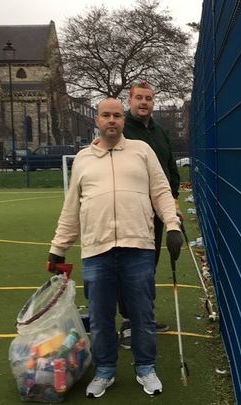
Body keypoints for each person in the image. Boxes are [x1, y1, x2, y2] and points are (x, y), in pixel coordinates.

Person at [46, 97, 183, 398]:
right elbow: (71, 209)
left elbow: (161, 191)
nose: (112, 120)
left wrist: (172, 226)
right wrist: (58, 247)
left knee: (142, 314)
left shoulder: (142, 151)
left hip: (138, 246)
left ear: (123, 120)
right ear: (96, 120)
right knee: (100, 316)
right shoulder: (83, 159)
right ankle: (105, 370)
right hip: (97, 249)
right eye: (106, 115)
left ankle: (146, 367)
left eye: (117, 116)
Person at [117, 81, 181, 349]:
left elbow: (169, 168)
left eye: (149, 99)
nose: (144, 103)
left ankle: (143, 316)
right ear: (130, 101)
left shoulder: (159, 133)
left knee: (148, 266)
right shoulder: (122, 131)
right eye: (139, 98)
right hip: (132, 211)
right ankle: (129, 322)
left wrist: (172, 204)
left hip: (158, 211)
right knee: (130, 265)